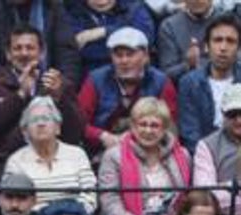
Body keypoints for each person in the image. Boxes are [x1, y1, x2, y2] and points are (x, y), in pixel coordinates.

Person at [0, 23, 86, 157]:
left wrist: (60, 97)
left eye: (30, 48)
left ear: (41, 53)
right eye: (17, 48)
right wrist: (20, 95)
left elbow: (76, 133)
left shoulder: (59, 83)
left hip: (54, 157)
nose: (24, 54)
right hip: (8, 158)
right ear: (8, 54)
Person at [98, 97, 191, 215]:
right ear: (133, 126)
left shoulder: (183, 155)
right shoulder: (113, 156)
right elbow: (110, 204)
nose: (148, 131)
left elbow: (187, 199)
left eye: (155, 125)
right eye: (142, 124)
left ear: (165, 128)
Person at [77, 27, 178, 156]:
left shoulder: (161, 82)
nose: (124, 61)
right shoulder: (96, 79)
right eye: (118, 55)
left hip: (149, 150)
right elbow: (78, 123)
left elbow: (169, 125)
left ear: (145, 56)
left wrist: (133, 138)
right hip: (101, 150)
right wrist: (102, 135)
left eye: (130, 54)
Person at [4, 96, 97, 215]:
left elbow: (90, 195)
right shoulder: (16, 161)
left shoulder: (77, 154)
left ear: (58, 128)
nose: (41, 124)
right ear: (25, 131)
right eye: (34, 120)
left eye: (46, 119)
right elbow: (13, 202)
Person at [0, 0, 81, 84]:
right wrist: (12, 88)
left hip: (48, 86)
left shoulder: (52, 7)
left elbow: (67, 54)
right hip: (5, 89)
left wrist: (62, 85)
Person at [177, 15, 241, 151]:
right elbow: (190, 134)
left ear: (238, 48)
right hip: (202, 156)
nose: (223, 47)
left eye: (230, 41)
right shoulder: (189, 83)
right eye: (218, 40)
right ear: (206, 46)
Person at [193, 82, 241, 215]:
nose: (239, 120)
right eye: (232, 114)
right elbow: (206, 195)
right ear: (222, 113)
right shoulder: (206, 145)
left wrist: (227, 188)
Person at [66, 0, 155, 76]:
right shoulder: (73, 12)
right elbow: (78, 48)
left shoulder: (133, 6)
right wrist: (125, 41)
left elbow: (145, 38)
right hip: (91, 76)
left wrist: (104, 31)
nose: (102, 2)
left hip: (137, 74)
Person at [157, 0, 220, 83]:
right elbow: (166, 74)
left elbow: (237, 62)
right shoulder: (169, 26)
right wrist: (188, 65)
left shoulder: (229, 23)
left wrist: (199, 63)